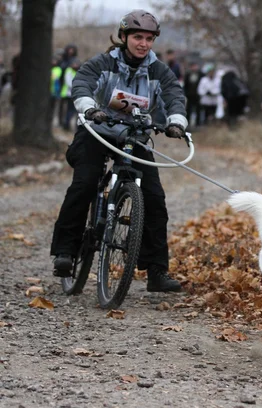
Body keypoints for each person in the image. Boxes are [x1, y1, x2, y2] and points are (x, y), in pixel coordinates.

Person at [51, 9, 188, 292]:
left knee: (154, 198)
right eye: (137, 37)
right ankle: (66, 252)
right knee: (84, 184)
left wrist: (176, 122)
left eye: (149, 39)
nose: (143, 44)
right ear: (123, 37)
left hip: (135, 137)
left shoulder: (158, 70)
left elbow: (174, 95)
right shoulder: (103, 63)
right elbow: (82, 84)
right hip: (97, 132)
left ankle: (156, 272)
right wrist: (89, 108)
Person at [183, 61, 203, 128]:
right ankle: (187, 123)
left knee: (198, 109)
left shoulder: (201, 74)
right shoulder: (188, 74)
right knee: (189, 109)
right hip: (190, 95)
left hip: (198, 95)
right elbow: (185, 85)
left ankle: (198, 123)